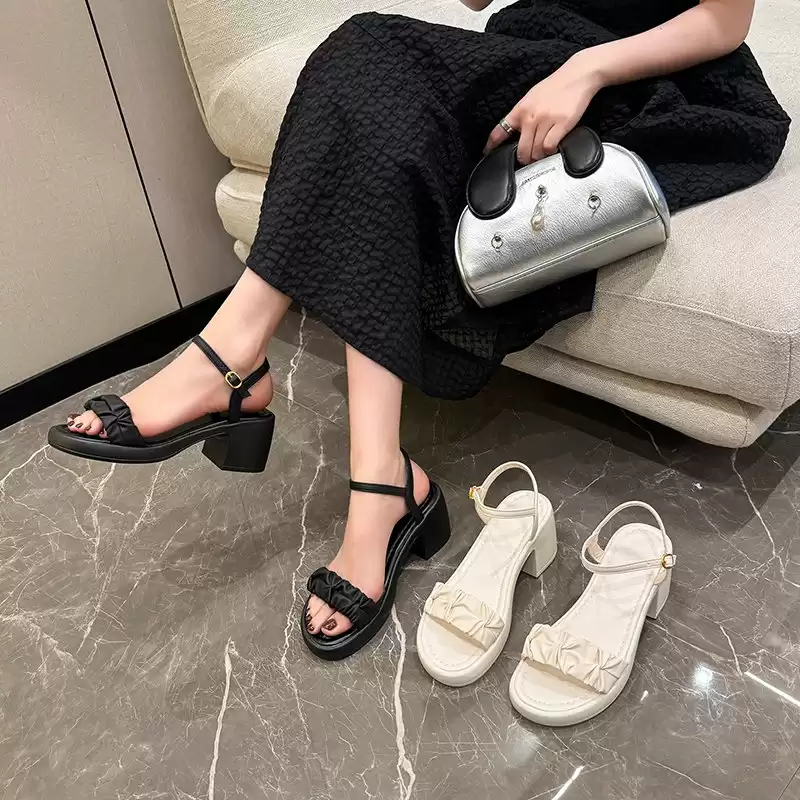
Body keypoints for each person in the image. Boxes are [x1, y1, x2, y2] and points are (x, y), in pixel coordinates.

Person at [49, 0, 788, 657]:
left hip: (655, 76)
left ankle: (244, 371)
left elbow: (726, 19)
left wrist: (584, 71)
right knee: (365, 61)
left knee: (381, 80)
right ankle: (369, 469)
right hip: (533, 46)